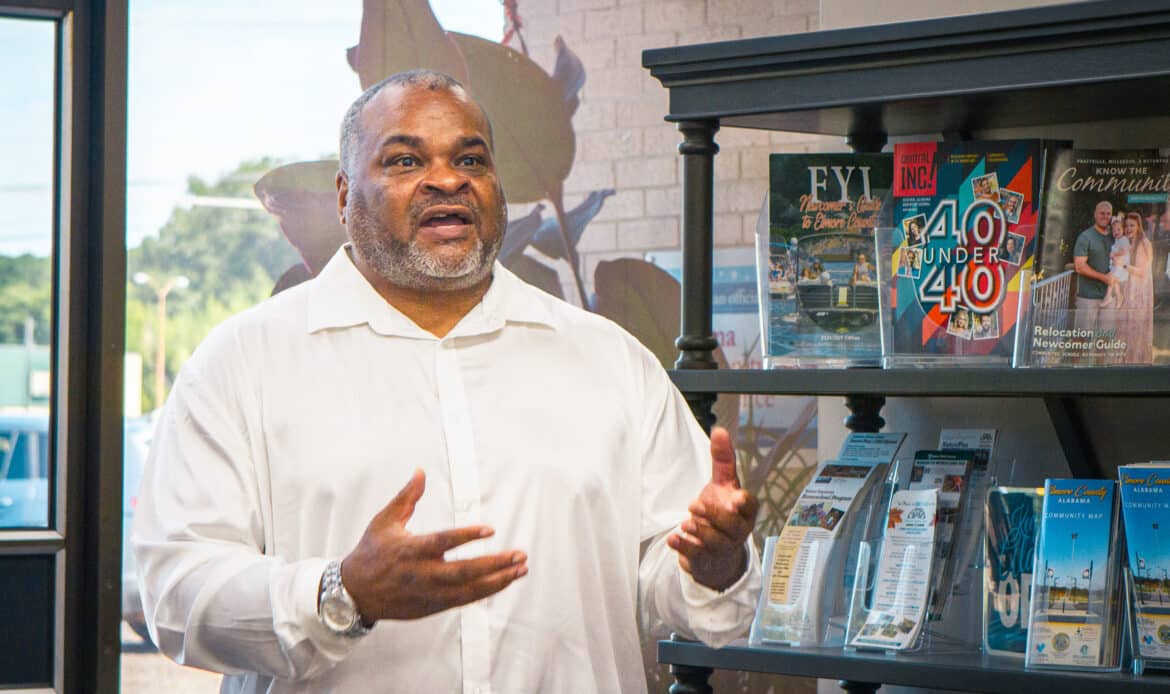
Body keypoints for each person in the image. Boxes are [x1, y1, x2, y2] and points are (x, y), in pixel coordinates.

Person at [132, 70, 760, 694]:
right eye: (405, 160)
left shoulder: (610, 361)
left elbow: (684, 590)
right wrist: (341, 593)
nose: (448, 179)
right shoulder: (244, 363)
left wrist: (715, 564)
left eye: (470, 159)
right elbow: (178, 594)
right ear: (344, 195)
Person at [1072, 200, 1117, 332]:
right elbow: (1079, 266)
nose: (1105, 216)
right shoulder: (1085, 237)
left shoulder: (1116, 236)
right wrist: (1104, 278)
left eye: (1108, 214)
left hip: (1110, 297)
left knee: (1105, 338)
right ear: (1095, 215)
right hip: (1088, 297)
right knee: (1081, 337)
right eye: (1102, 213)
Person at [1120, 212, 1154, 363]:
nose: (1128, 228)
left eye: (1132, 225)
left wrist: (1124, 266)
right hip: (1129, 292)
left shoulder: (1144, 243)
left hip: (1139, 294)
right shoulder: (1129, 242)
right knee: (1126, 330)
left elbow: (1142, 272)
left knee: (1137, 331)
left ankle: (1136, 363)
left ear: (1139, 226)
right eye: (1126, 225)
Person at [1101, 215, 1130, 309]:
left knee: (1111, 278)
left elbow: (1125, 251)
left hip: (1121, 266)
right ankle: (1119, 297)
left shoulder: (1124, 239)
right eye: (1114, 231)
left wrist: (1114, 254)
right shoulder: (1117, 240)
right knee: (1115, 282)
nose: (1116, 232)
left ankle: (1108, 296)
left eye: (1118, 230)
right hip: (1116, 265)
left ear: (1123, 230)